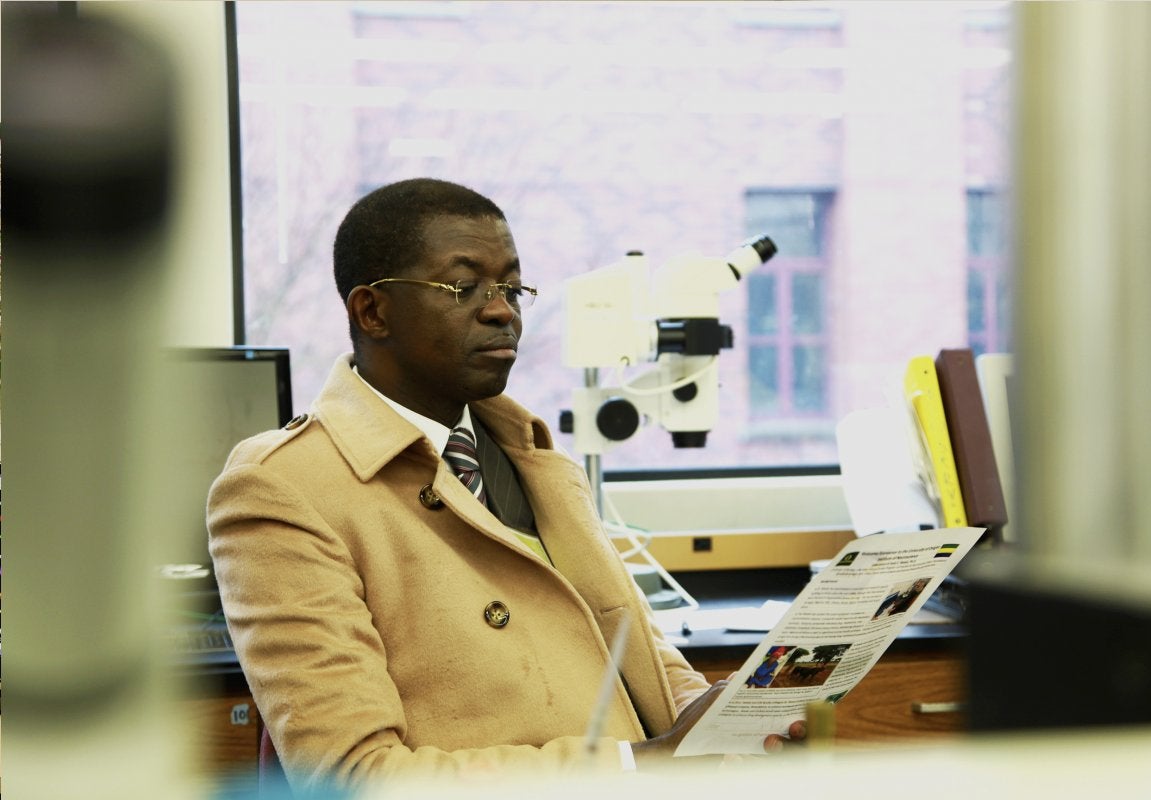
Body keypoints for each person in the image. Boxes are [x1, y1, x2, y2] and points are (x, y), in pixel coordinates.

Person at [207, 178, 804, 793]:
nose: (502, 310)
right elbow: (352, 777)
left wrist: (719, 725)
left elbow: (643, 662)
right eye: (463, 287)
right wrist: (641, 762)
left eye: (512, 287)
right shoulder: (281, 489)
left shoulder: (537, 459)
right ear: (372, 311)